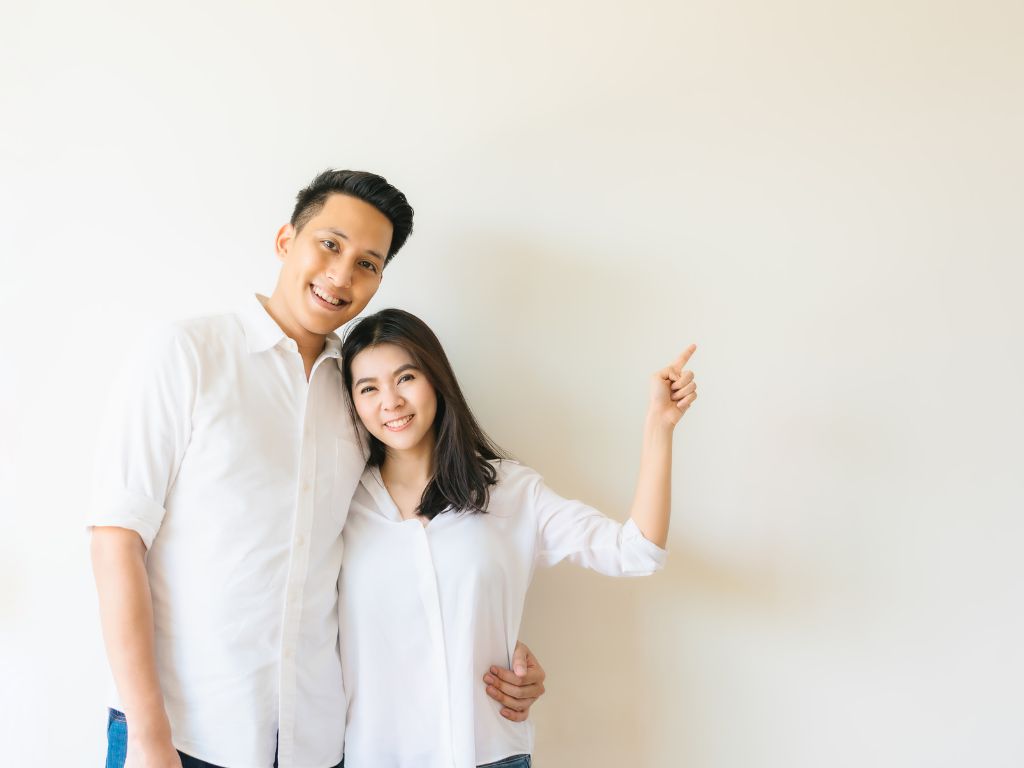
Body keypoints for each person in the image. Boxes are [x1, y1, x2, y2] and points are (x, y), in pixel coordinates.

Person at [89, 170, 546, 768]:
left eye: (367, 264)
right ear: (286, 240)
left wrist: (491, 642)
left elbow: (402, 539)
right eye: (330, 245)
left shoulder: (364, 396)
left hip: (314, 739)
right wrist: (149, 737)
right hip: (184, 732)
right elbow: (117, 541)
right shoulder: (187, 354)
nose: (341, 275)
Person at [338, 308, 698, 767]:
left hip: (490, 753)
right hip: (375, 755)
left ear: (435, 380)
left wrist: (659, 426)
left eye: (405, 378)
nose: (390, 401)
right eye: (368, 388)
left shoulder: (510, 491)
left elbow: (637, 552)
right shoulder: (341, 503)